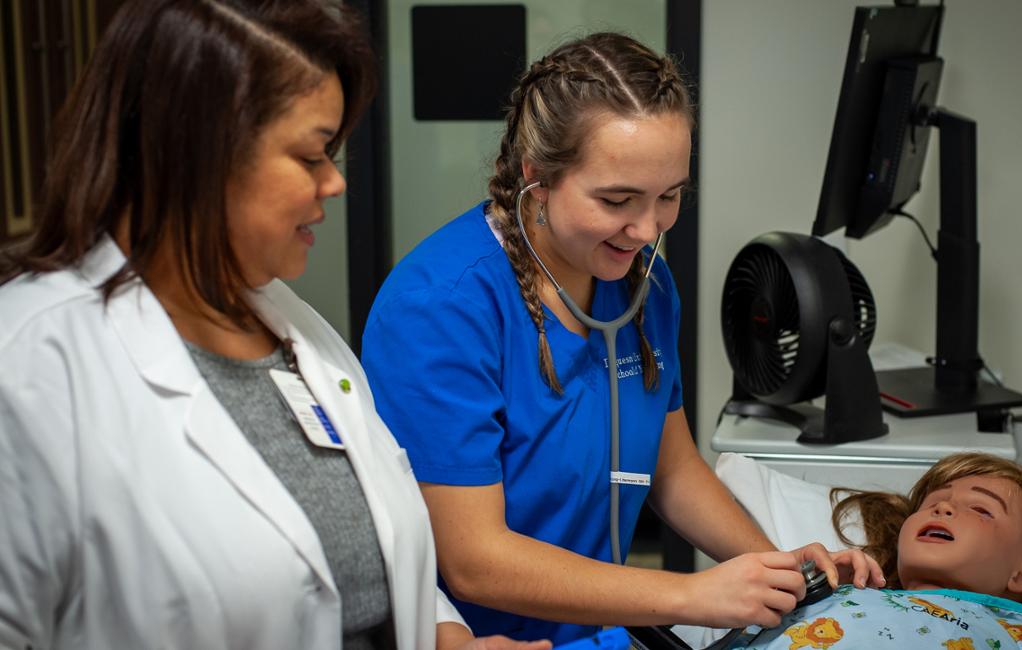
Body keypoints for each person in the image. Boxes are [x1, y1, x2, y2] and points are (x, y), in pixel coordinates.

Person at [0, 2, 547, 649]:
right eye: (314, 155)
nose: (336, 183)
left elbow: (373, 558)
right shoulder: (31, 366)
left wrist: (446, 637)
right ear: (197, 150)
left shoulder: (301, 334)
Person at [359, 32, 884, 646]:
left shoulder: (642, 282)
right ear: (536, 176)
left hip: (600, 633)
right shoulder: (441, 308)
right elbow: (474, 560)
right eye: (616, 200)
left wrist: (783, 569)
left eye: (670, 196)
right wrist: (690, 594)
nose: (645, 228)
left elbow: (672, 468)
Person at [697, 452, 1022, 649]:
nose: (944, 507)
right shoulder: (842, 590)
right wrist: (804, 588)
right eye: (934, 501)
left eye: (982, 510)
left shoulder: (1021, 635)